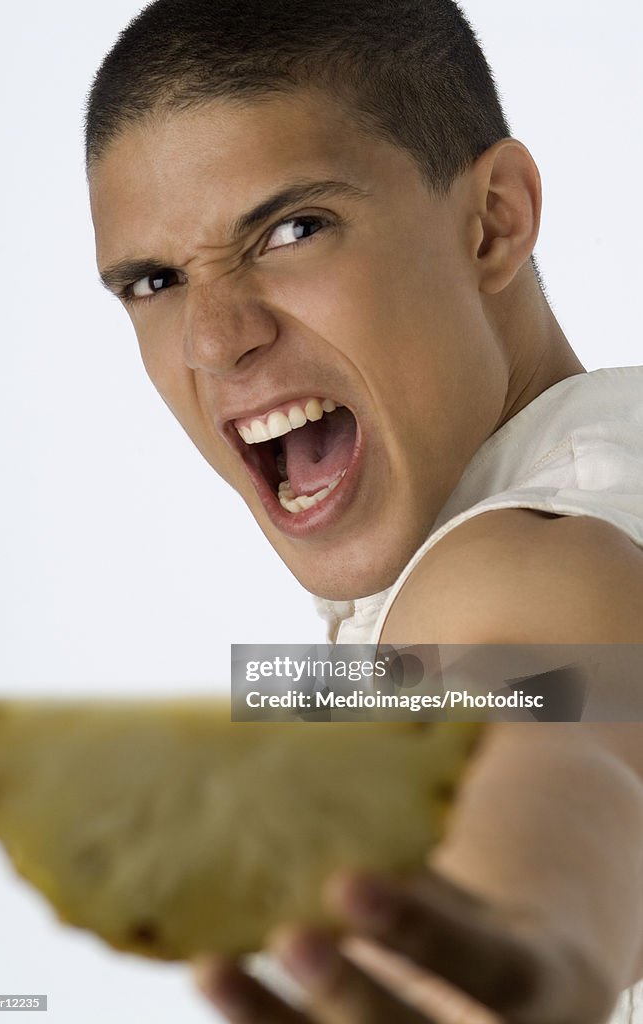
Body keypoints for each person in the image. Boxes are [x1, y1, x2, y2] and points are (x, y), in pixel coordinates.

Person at [85, 0, 643, 1020]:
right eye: (154, 280)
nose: (214, 339)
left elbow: (550, 752)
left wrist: (531, 931)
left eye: (292, 229)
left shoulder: (516, 563)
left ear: (493, 221)